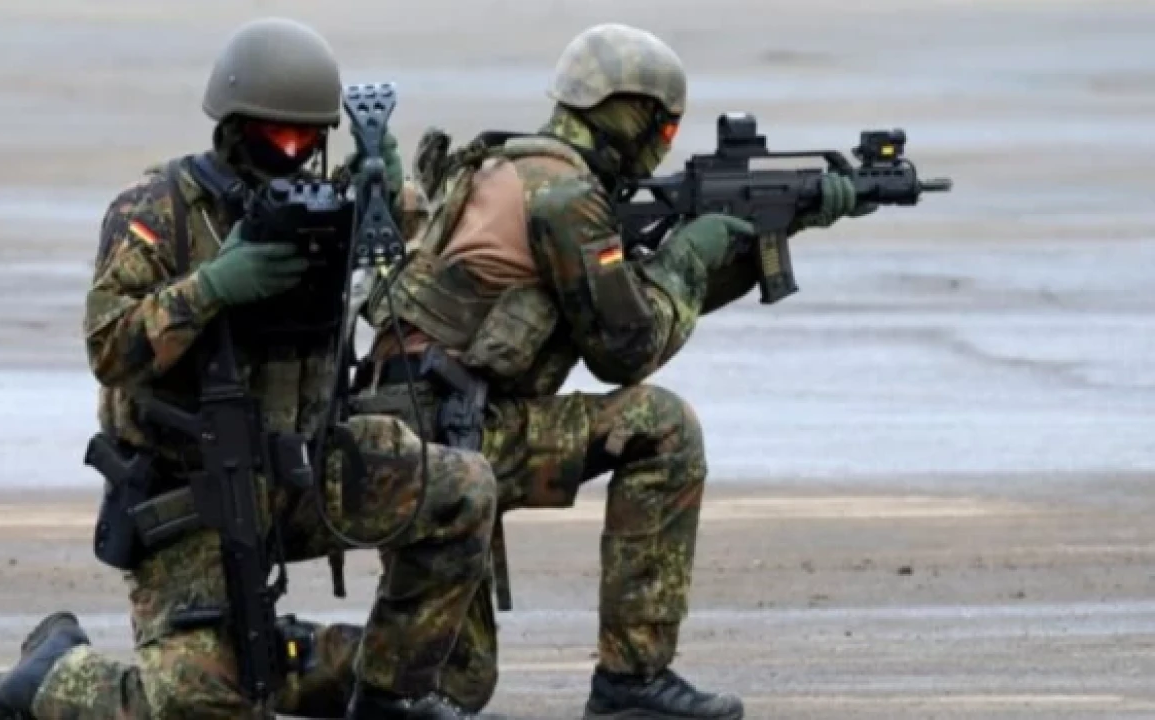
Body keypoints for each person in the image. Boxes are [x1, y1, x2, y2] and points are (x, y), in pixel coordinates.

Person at [0, 17, 496, 720]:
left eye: (307, 139)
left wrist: (384, 193)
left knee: (463, 488)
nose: (292, 152)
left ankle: (386, 695)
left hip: (301, 471)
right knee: (205, 703)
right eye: (277, 136)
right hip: (190, 495)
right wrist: (212, 287)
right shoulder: (157, 210)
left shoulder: (323, 208)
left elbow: (398, 258)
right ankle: (53, 678)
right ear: (235, 125)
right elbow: (110, 346)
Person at [348, 22, 876, 720]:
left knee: (459, 681)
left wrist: (767, 232)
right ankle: (633, 679)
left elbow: (626, 307)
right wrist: (689, 256)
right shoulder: (567, 198)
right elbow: (626, 349)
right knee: (661, 428)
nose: (665, 143)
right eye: (663, 127)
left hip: (415, 430)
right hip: (451, 438)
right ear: (629, 115)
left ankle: (248, 677)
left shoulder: (504, 165)